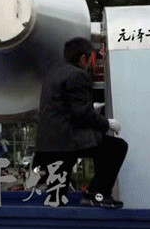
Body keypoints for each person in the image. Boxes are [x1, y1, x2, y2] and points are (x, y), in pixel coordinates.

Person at [33, 37, 128, 208]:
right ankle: (96, 194)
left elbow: (62, 106)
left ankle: (53, 223)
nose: (90, 64)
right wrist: (106, 123)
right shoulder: (78, 74)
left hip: (48, 145)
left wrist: (91, 108)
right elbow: (81, 114)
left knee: (56, 198)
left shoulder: (52, 73)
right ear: (83, 59)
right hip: (68, 142)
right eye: (90, 59)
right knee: (117, 147)